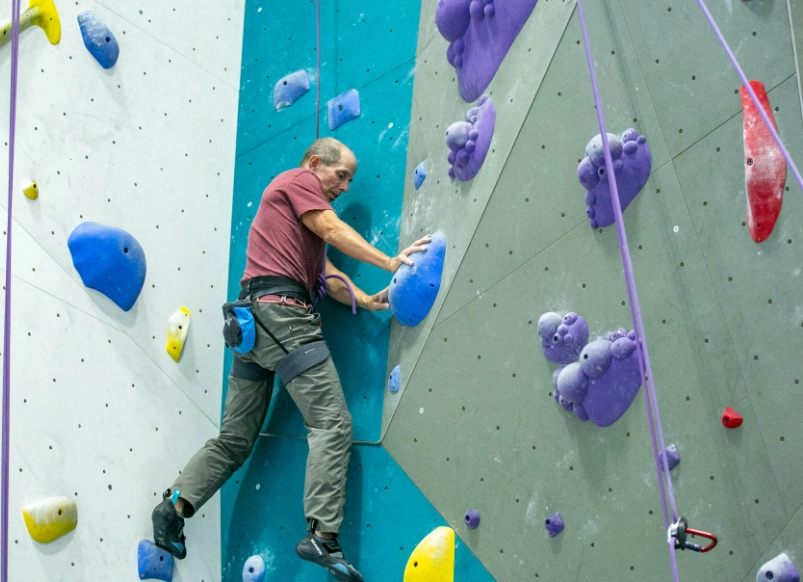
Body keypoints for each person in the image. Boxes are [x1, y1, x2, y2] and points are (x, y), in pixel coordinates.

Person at [151, 137, 430, 582]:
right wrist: (390, 261)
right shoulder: (299, 181)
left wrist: (367, 300)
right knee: (332, 423)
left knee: (235, 439)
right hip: (282, 316)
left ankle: (173, 508)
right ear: (316, 164)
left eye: (350, 181)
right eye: (341, 176)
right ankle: (322, 535)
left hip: (250, 325)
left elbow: (330, 277)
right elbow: (334, 230)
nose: (344, 187)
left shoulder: (296, 229)